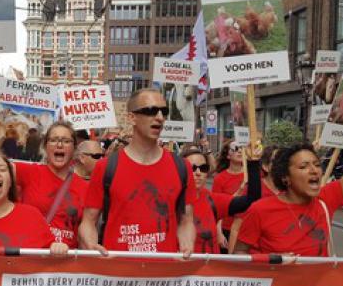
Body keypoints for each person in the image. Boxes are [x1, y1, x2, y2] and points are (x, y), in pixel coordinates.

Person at [234, 85, 343, 257]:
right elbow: (239, 254)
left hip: (320, 285)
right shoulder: (259, 210)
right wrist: (272, 260)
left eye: (317, 165)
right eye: (303, 166)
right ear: (286, 178)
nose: (314, 170)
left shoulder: (326, 199)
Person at [79, 88, 197, 255]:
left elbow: (186, 221)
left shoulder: (182, 167)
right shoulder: (105, 167)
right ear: (131, 117)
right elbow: (88, 221)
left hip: (164, 273)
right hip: (118, 273)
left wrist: (187, 246)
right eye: (150, 111)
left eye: (164, 111)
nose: (159, 117)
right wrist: (91, 245)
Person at [184, 144, 262, 253]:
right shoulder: (169, 201)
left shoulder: (212, 200)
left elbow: (252, 200)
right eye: (192, 168)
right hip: (180, 268)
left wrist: (253, 162)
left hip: (210, 267)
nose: (198, 173)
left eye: (203, 168)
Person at [213, 140, 245, 239]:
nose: (239, 151)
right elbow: (216, 208)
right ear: (228, 155)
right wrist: (219, 234)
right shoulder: (220, 178)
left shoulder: (251, 175)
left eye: (242, 148)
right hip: (227, 228)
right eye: (235, 149)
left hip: (247, 228)